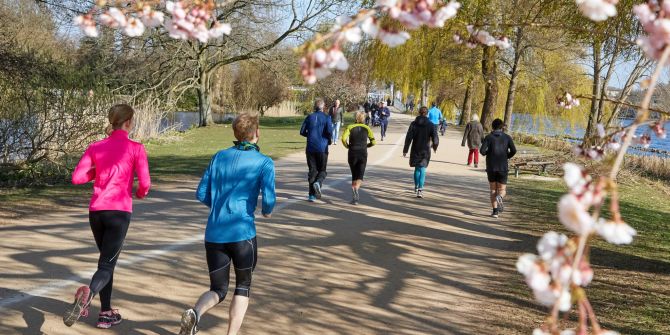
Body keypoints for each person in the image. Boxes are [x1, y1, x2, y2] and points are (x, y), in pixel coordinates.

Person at [178, 113, 276, 335]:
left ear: (235, 133)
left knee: (218, 289)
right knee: (242, 286)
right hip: (242, 234)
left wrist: (220, 206)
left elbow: (202, 193)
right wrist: (267, 211)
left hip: (214, 235)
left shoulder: (218, 156)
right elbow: (269, 200)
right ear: (256, 133)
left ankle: (196, 312)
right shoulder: (264, 162)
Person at [64, 104, 151, 329]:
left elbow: (77, 178)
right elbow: (145, 184)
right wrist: (140, 193)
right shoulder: (136, 148)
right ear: (129, 122)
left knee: (106, 263)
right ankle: (87, 297)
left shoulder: (96, 146)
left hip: (97, 212)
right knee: (106, 264)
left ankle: (106, 313)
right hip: (119, 212)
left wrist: (98, 173)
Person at [480, 118, 517, 218]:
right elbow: (514, 150)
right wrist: (507, 156)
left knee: (493, 190)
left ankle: (495, 212)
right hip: (502, 167)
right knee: (502, 189)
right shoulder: (507, 137)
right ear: (502, 127)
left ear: (492, 126)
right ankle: (500, 197)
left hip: (491, 167)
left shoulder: (488, 137)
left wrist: (489, 152)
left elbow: (482, 151)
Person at [300, 98, 333, 202]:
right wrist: (328, 140)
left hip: (310, 147)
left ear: (315, 106)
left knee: (312, 170)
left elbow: (302, 131)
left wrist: (309, 135)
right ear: (323, 107)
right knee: (322, 170)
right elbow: (329, 132)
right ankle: (318, 183)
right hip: (322, 148)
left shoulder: (309, 117)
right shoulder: (327, 118)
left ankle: (311, 195)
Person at [403, 106, 439, 199]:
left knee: (417, 169)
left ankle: (416, 186)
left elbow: (408, 138)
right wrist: (435, 146)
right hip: (425, 149)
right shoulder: (431, 124)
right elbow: (435, 137)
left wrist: (405, 150)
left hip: (415, 148)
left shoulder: (413, 124)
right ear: (427, 114)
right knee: (422, 169)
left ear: (419, 112)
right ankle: (420, 189)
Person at [341, 111, 377, 205]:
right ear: (363, 119)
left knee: (354, 174)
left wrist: (347, 146)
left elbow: (343, 139)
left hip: (352, 152)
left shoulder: (350, 127)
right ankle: (356, 189)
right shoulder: (367, 128)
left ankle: (354, 198)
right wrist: (367, 145)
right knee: (360, 174)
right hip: (362, 152)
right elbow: (373, 142)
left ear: (355, 118)